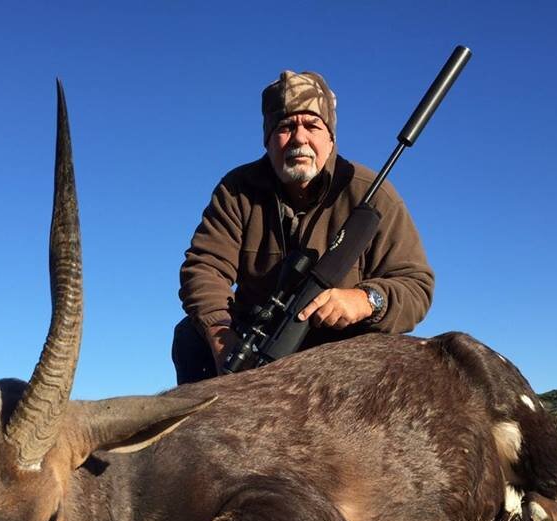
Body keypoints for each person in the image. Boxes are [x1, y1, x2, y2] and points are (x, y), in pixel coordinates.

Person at [172, 70, 434, 384]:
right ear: (268, 140)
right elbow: (204, 268)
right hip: (256, 345)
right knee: (190, 335)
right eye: (284, 127)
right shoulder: (236, 189)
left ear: (331, 136)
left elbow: (416, 285)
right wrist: (222, 342)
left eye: (312, 125)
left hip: (342, 352)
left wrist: (366, 300)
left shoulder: (374, 195)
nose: (299, 138)